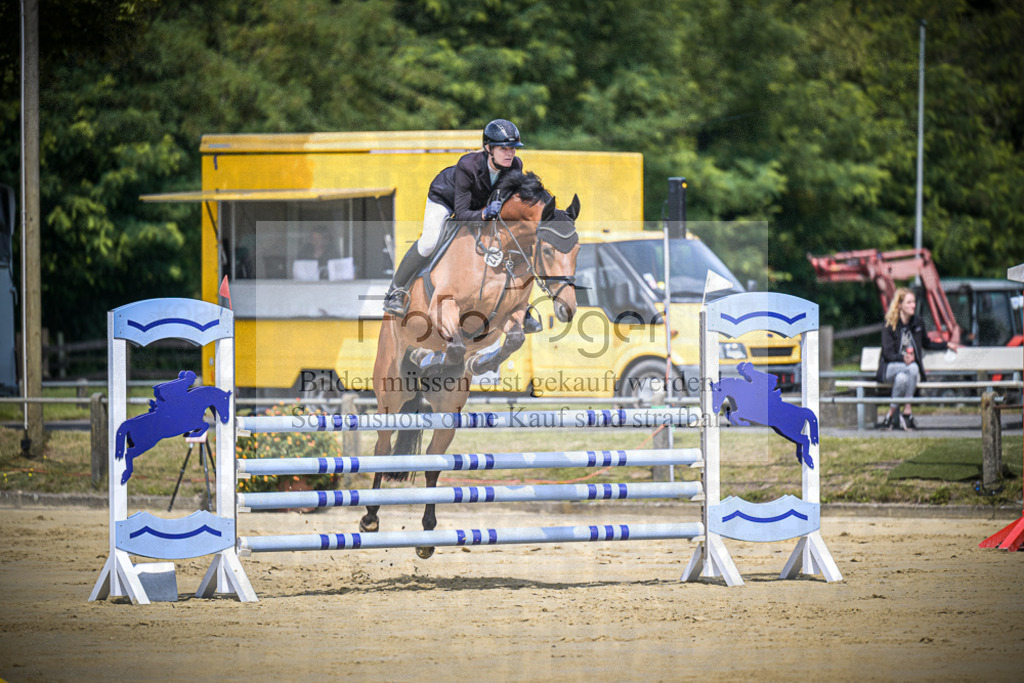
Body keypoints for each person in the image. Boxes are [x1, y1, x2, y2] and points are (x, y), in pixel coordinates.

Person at [383, 119, 540, 332]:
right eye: (504, 148)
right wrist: (485, 213)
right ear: (488, 148)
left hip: (482, 205)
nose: (510, 153)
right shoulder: (468, 166)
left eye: (513, 148)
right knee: (429, 243)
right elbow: (462, 214)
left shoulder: (515, 166)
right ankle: (396, 290)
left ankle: (521, 304)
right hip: (445, 200)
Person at [876, 288, 959, 430]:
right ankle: (907, 413)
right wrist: (903, 359)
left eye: (914, 302)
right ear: (899, 304)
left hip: (907, 371)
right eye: (909, 302)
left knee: (903, 377)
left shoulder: (918, 322)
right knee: (912, 368)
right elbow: (887, 354)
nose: (913, 305)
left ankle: (890, 416)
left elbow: (927, 343)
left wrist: (946, 344)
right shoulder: (890, 324)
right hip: (890, 368)